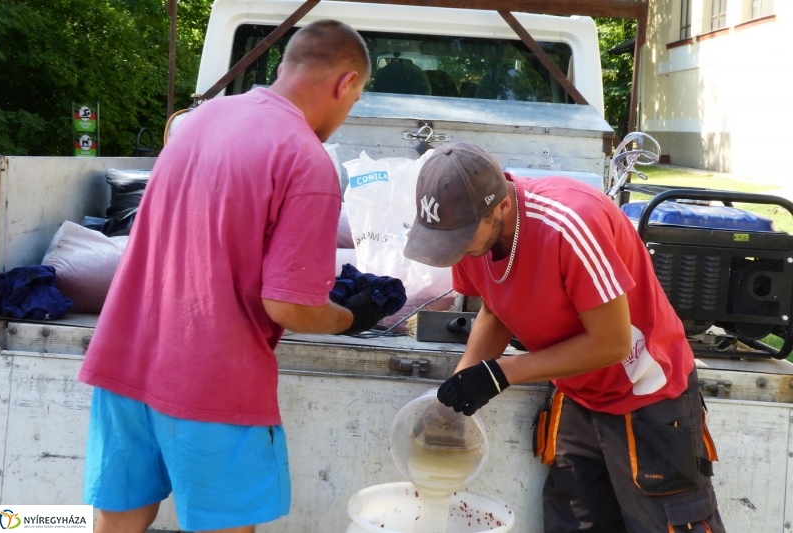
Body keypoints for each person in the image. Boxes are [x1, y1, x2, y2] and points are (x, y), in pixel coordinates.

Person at [78, 20, 381, 533]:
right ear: (345, 83)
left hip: (124, 360)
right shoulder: (305, 160)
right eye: (354, 101)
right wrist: (351, 316)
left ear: (286, 67)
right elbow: (289, 306)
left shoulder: (201, 118)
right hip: (212, 379)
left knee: (118, 518)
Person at [403, 143, 725, 533]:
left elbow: (612, 344)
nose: (455, 252)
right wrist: (456, 399)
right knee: (574, 522)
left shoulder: (570, 224)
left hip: (646, 393)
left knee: (664, 524)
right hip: (578, 394)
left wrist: (501, 373)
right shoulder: (476, 243)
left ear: (500, 208)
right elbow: (495, 308)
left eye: (461, 238)